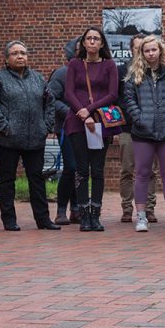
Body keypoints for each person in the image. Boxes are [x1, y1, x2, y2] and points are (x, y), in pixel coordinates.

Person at [0, 41, 58, 231]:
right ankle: (9, 220)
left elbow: (50, 102)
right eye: (15, 53)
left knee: (37, 178)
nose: (20, 57)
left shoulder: (38, 78)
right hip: (7, 138)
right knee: (7, 178)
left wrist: (46, 125)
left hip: (35, 137)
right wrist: (5, 126)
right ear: (6, 59)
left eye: (23, 53)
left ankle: (43, 220)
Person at [122, 35, 165, 233]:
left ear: (160, 51)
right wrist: (140, 119)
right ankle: (141, 217)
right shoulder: (133, 76)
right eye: (146, 50)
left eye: (154, 49)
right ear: (141, 53)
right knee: (142, 174)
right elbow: (129, 102)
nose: (150, 53)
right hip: (142, 133)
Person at [65, 27, 121, 232]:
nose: (92, 42)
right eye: (88, 38)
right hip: (76, 122)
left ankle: (96, 214)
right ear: (83, 44)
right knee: (81, 169)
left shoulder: (109, 65)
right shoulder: (74, 64)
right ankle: (83, 214)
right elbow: (68, 92)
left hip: (99, 123)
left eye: (96, 39)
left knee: (97, 169)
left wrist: (88, 110)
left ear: (102, 44)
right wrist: (81, 112)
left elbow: (112, 94)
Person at [118, 33, 158, 224]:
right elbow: (120, 100)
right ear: (132, 49)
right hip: (128, 128)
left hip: (150, 131)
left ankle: (149, 209)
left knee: (150, 171)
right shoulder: (122, 71)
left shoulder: (156, 70)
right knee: (127, 170)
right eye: (138, 47)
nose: (142, 50)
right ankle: (127, 209)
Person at [47, 37, 79, 224]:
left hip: (88, 128)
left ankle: (76, 209)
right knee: (71, 167)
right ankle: (61, 210)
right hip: (67, 127)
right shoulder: (62, 73)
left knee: (81, 169)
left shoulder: (90, 73)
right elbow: (52, 98)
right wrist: (72, 112)